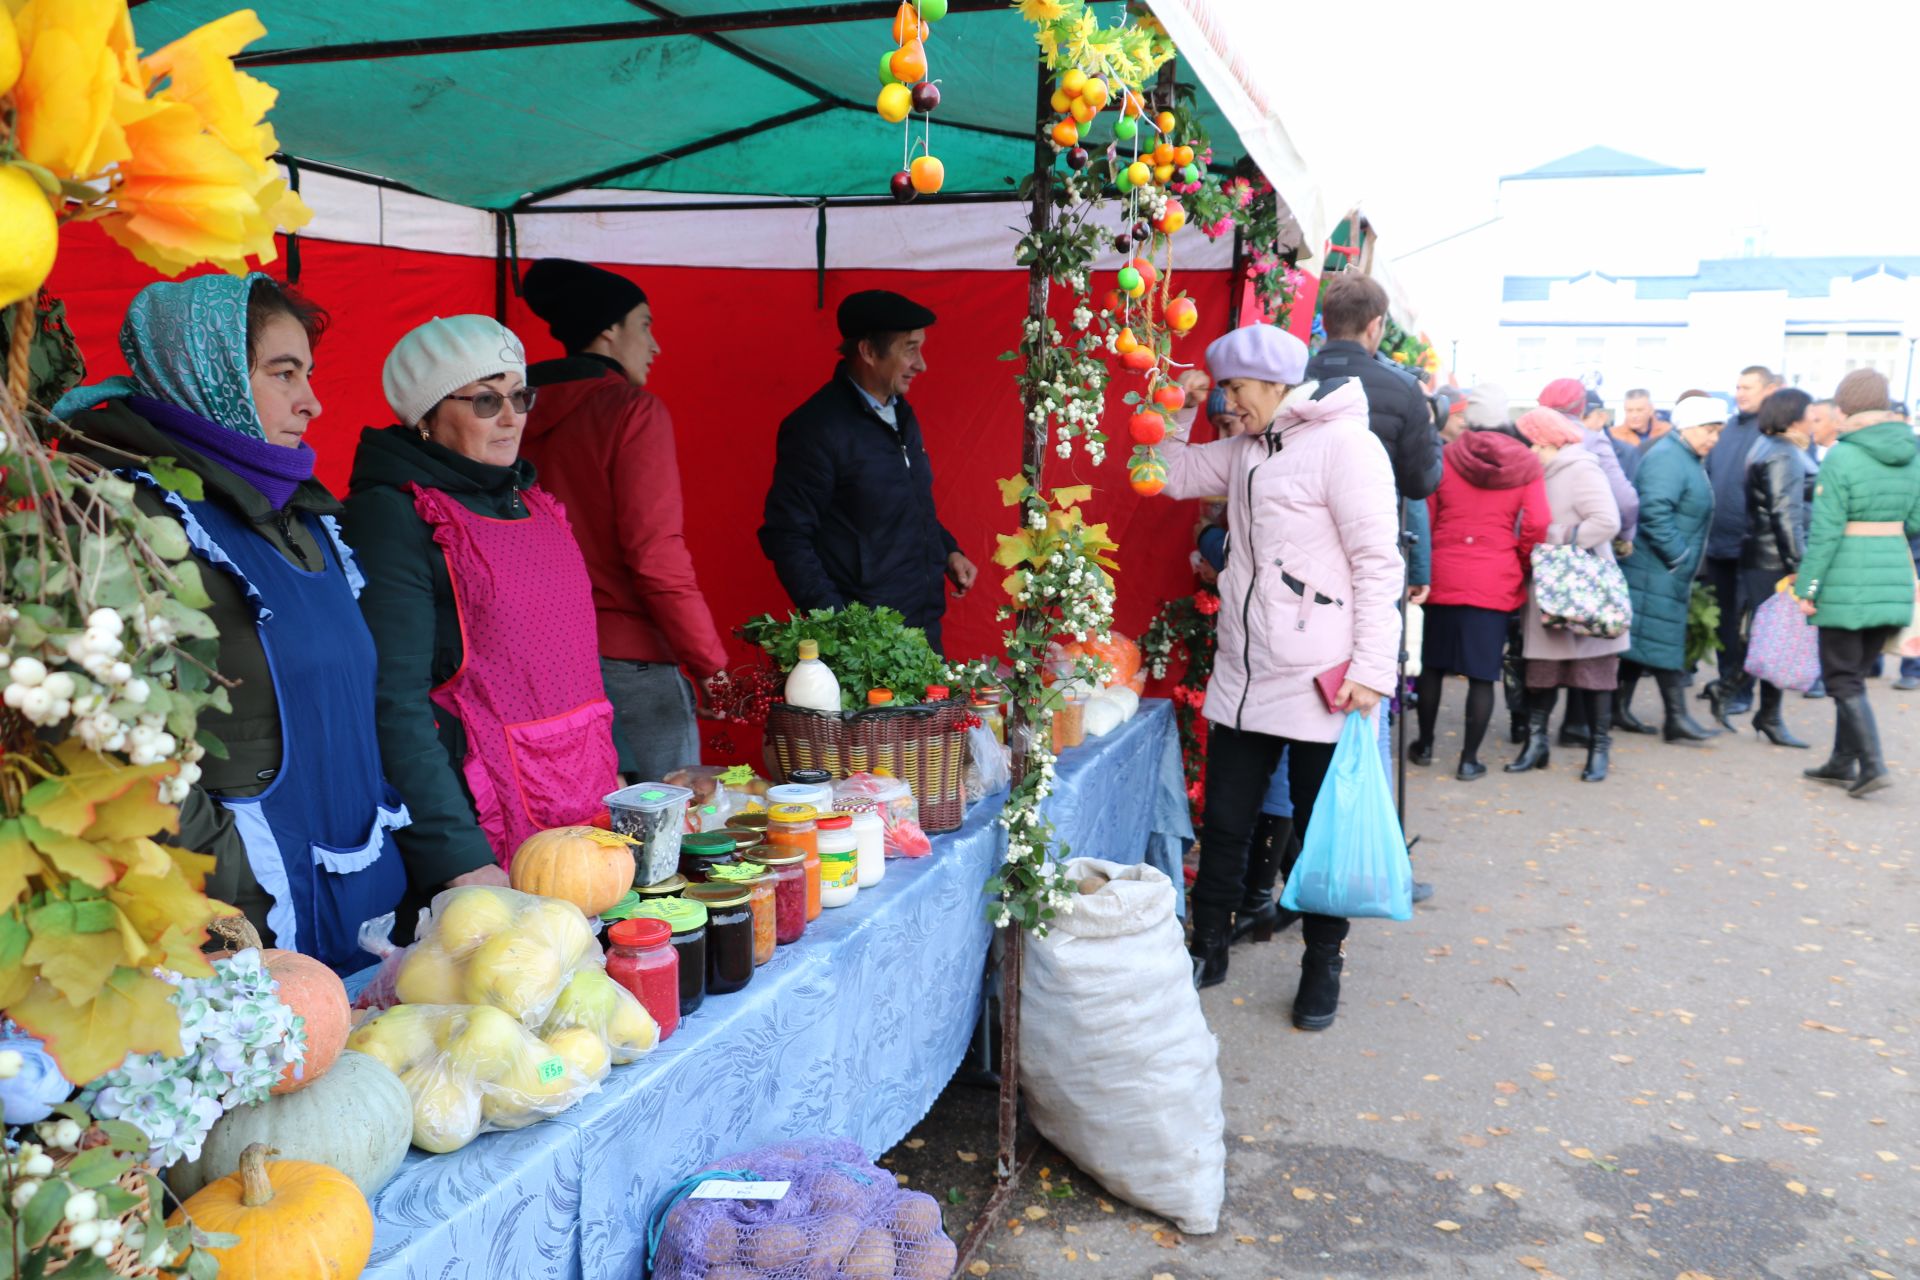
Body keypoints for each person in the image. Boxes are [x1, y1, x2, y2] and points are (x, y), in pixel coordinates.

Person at [51, 276, 407, 972]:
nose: (312, 400)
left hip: (357, 900)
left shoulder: (306, 520)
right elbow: (117, 750)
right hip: (243, 924)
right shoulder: (129, 518)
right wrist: (235, 881)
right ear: (205, 375)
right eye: (283, 373)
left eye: (308, 372)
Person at [1154, 324, 1403, 1030]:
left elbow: (1379, 564)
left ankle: (1323, 963)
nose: (1228, 403)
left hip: (1326, 677)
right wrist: (1180, 404)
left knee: (1319, 830)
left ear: (1273, 382)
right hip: (1244, 667)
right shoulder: (1244, 450)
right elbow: (1167, 474)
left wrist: (1372, 670)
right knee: (1226, 820)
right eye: (1224, 389)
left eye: (1234, 389)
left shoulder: (1347, 447)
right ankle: (1208, 948)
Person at [343, 316, 621, 937]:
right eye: (486, 399)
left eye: (520, 396)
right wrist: (460, 862)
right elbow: (395, 702)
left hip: (582, 812)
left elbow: (573, 669)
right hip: (480, 830)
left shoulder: (528, 497)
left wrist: (615, 772)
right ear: (425, 416)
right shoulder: (392, 516)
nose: (512, 418)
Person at [517, 259, 730, 783]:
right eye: (645, 324)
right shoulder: (632, 410)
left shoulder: (508, 415)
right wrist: (709, 664)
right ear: (608, 330)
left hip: (537, 662)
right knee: (665, 838)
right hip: (630, 664)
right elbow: (656, 558)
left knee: (575, 835)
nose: (655, 345)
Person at [758, 290, 976, 652]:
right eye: (909, 348)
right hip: (865, 644)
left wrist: (948, 551)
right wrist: (839, 626)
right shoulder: (817, 427)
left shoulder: (902, 414)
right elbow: (787, 535)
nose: (921, 364)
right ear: (869, 352)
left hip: (923, 630)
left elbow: (906, 503)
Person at [1795, 369, 1920, 797]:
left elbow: (1825, 532)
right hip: (1893, 575)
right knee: (1857, 673)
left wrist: (1807, 589)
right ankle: (1841, 762)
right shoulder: (1913, 451)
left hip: (1848, 581)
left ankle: (1872, 764)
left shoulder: (1843, 456)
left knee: (1842, 678)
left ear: (1845, 409)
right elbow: (1917, 520)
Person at [1411, 421, 1549, 780]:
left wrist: (1427, 561)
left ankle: (1424, 746)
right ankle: (1468, 760)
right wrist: (1517, 559)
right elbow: (1538, 523)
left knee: (1432, 666)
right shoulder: (1526, 468)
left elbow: (1425, 514)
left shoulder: (1448, 456)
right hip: (1495, 577)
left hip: (1444, 572)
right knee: (1482, 676)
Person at [1504, 410, 1628, 781]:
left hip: (1582, 585)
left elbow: (1607, 521)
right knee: (1541, 672)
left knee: (1594, 675)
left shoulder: (1581, 468)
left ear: (1545, 442)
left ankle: (1599, 749)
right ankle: (1536, 743)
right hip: (1549, 587)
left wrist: (1553, 538)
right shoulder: (1540, 471)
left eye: (1529, 441)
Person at [1616, 396, 1724, 743]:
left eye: (1717, 432)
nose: (1714, 439)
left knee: (1643, 644)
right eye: (1709, 430)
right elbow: (1654, 512)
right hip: (1658, 568)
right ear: (1688, 426)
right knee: (1664, 645)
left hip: (1660, 569)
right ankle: (1677, 720)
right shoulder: (1669, 459)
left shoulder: (1683, 456)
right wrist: (1679, 557)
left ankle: (1618, 710)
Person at [1303, 272, 1442, 500]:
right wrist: (1431, 426)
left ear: (1325, 322)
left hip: (1297, 527)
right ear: (1374, 326)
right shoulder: (1404, 390)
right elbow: (1420, 483)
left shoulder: (1290, 380)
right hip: (1371, 525)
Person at [1734, 388, 1817, 745]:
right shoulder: (1784, 454)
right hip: (1774, 560)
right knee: (1776, 636)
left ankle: (1761, 711)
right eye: (1808, 412)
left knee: (1768, 635)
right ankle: (1764, 713)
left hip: (1764, 555)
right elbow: (1786, 514)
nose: (1813, 419)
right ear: (1792, 415)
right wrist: (1798, 566)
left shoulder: (1769, 446)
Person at [1700, 366, 1781, 718]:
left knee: (1748, 624)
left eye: (1747, 387)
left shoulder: (1774, 433)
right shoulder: (1728, 429)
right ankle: (1725, 680)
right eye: (1737, 386)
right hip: (1717, 544)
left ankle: (1743, 689)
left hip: (1753, 548)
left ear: (1770, 390)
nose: (1740, 393)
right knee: (1722, 620)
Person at [1610, 388, 1670, 455]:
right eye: (1629, 410)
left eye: (1639, 410)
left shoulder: (1667, 431)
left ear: (1651, 410)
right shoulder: (1613, 435)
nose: (1634, 415)